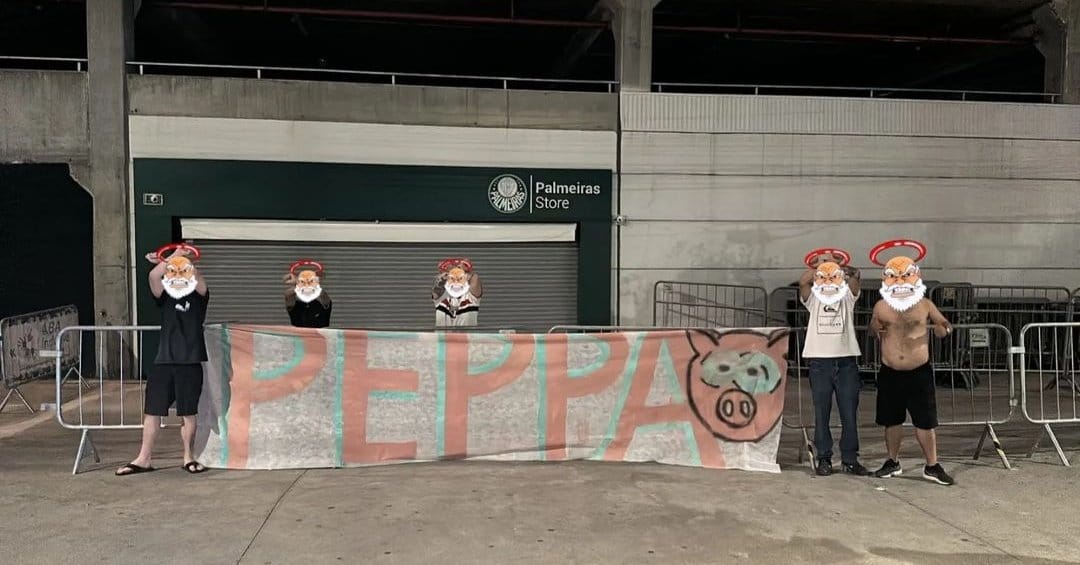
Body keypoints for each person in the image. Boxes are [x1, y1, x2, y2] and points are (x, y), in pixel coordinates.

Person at [117, 246, 209, 476]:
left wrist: (177, 256)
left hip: (190, 361)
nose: (178, 275)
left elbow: (195, 274)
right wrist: (168, 258)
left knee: (188, 413)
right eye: (173, 272)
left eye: (182, 271)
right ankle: (144, 458)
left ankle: (188, 456)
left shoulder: (200, 295)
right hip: (164, 361)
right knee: (152, 411)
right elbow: (153, 275)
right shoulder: (164, 296)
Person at [870, 251, 954, 485]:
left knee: (925, 421)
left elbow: (945, 324)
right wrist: (875, 326)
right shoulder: (881, 306)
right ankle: (892, 461)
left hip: (919, 372)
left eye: (905, 276)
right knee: (891, 420)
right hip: (890, 372)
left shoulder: (925, 305)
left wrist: (943, 330)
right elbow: (871, 330)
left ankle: (932, 465)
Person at [799, 251, 871, 477]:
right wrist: (822, 267)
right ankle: (824, 458)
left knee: (849, 413)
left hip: (846, 361)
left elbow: (856, 279)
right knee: (822, 412)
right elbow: (803, 281)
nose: (829, 264)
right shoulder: (813, 297)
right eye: (823, 262)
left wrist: (843, 270)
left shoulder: (846, 296)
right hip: (820, 362)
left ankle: (850, 459)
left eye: (833, 261)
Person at [433, 258, 482, 327]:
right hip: (443, 337)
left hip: (466, 337)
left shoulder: (471, 297)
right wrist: (444, 277)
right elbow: (437, 286)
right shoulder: (441, 297)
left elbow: (475, 278)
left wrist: (465, 269)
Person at [284, 263, 332, 328]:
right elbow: (288, 294)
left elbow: (324, 297)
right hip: (299, 334)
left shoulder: (320, 303)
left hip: (319, 335)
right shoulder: (296, 305)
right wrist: (298, 282)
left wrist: (313, 281)